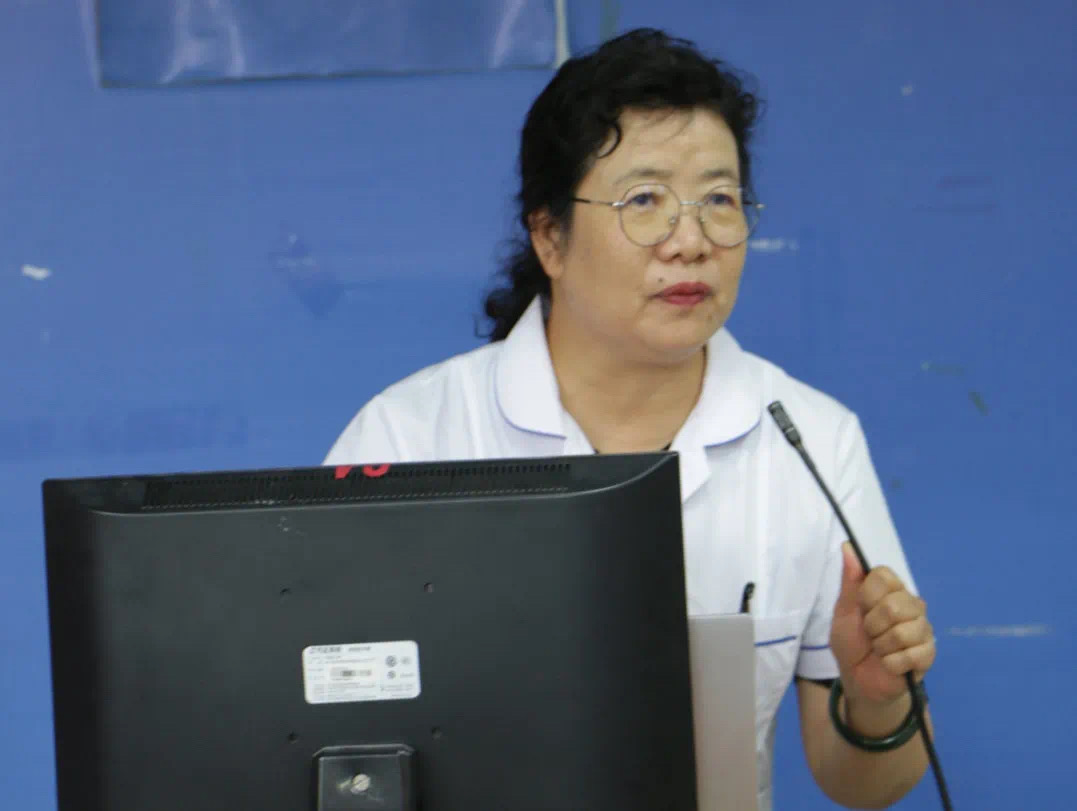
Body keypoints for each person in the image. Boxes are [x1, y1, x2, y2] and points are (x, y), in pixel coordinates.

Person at [324, 28, 936, 810]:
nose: (690, 241)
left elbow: (864, 784)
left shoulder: (812, 439)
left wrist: (877, 697)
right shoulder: (407, 437)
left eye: (718, 200)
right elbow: (329, 737)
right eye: (643, 200)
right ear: (549, 236)